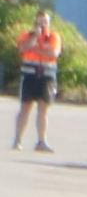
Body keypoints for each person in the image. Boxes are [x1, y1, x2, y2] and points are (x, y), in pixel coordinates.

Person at [9, 10, 55, 151]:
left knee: (43, 110)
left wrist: (35, 49)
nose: (43, 25)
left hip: (46, 76)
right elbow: (23, 48)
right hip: (29, 76)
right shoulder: (26, 36)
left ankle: (41, 141)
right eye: (40, 22)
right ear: (35, 22)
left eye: (45, 22)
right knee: (25, 108)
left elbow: (53, 53)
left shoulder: (53, 37)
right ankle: (17, 140)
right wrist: (34, 38)